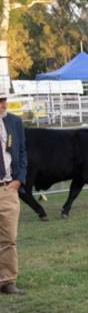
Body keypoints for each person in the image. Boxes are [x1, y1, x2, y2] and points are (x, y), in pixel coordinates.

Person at [0, 91, 28, 296]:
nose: (3, 104)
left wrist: (19, 179)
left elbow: (21, 151)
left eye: (3, 100)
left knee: (9, 238)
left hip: (8, 187)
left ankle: (8, 280)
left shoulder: (14, 122)